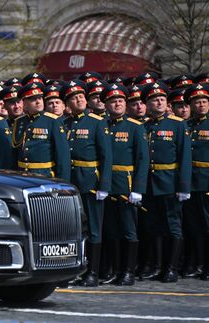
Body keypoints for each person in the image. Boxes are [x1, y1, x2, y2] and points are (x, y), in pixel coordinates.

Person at [62, 80, 112, 287]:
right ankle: (74, 269)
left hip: (91, 182)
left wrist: (104, 186)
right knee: (73, 229)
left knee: (93, 229)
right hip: (71, 183)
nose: (79, 99)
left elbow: (106, 156)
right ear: (68, 103)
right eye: (74, 97)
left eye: (81, 96)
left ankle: (93, 272)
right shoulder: (64, 123)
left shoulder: (96, 122)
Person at [141, 81, 191, 283]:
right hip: (150, 183)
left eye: (162, 99)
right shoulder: (144, 126)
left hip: (170, 183)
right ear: (148, 103)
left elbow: (184, 157)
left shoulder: (178, 125)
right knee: (154, 226)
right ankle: (158, 266)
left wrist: (183, 186)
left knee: (173, 226)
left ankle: (172, 268)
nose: (159, 102)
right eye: (155, 99)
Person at [100, 83, 149, 286]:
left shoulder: (135, 127)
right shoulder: (101, 125)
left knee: (129, 230)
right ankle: (114, 270)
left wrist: (138, 189)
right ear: (106, 104)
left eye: (121, 100)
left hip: (126, 185)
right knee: (111, 231)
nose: (118, 104)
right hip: (106, 185)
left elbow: (142, 159)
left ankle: (128, 272)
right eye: (113, 101)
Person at [12, 82, 70, 180]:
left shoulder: (53, 120)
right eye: (33, 99)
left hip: (44, 175)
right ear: (24, 103)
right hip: (21, 175)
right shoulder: (19, 121)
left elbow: (62, 155)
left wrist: (63, 182)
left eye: (39, 98)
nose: (38, 102)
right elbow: (15, 152)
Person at [183, 84, 209, 280]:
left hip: (207, 182)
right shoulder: (187, 125)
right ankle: (197, 263)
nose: (201, 105)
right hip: (191, 183)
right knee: (194, 227)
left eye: (204, 101)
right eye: (197, 102)